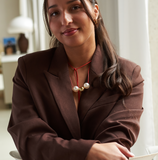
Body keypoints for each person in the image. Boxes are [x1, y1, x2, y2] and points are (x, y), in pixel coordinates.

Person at [8, 0, 144, 160]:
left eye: (75, 7)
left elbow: (115, 146)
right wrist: (89, 151)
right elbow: (28, 140)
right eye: (54, 13)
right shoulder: (28, 69)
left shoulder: (129, 75)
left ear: (95, 11)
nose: (65, 20)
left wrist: (60, 149)